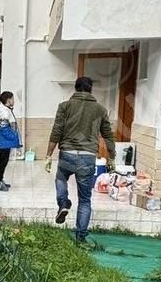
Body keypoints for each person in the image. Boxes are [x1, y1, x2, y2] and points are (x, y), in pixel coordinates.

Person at [46, 76, 115, 243]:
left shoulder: (65, 106)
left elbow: (56, 131)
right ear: (91, 90)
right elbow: (107, 135)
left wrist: (48, 154)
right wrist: (112, 157)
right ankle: (81, 237)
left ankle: (63, 203)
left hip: (67, 154)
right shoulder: (100, 109)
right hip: (87, 157)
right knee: (85, 199)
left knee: (61, 178)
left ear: (75, 88)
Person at [0, 91, 20, 191]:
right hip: (5, 141)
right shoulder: (5, 111)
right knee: (3, 161)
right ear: (8, 100)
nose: (14, 101)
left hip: (5, 142)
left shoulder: (6, 110)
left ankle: (0, 180)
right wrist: (14, 137)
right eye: (12, 99)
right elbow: (3, 127)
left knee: (3, 161)